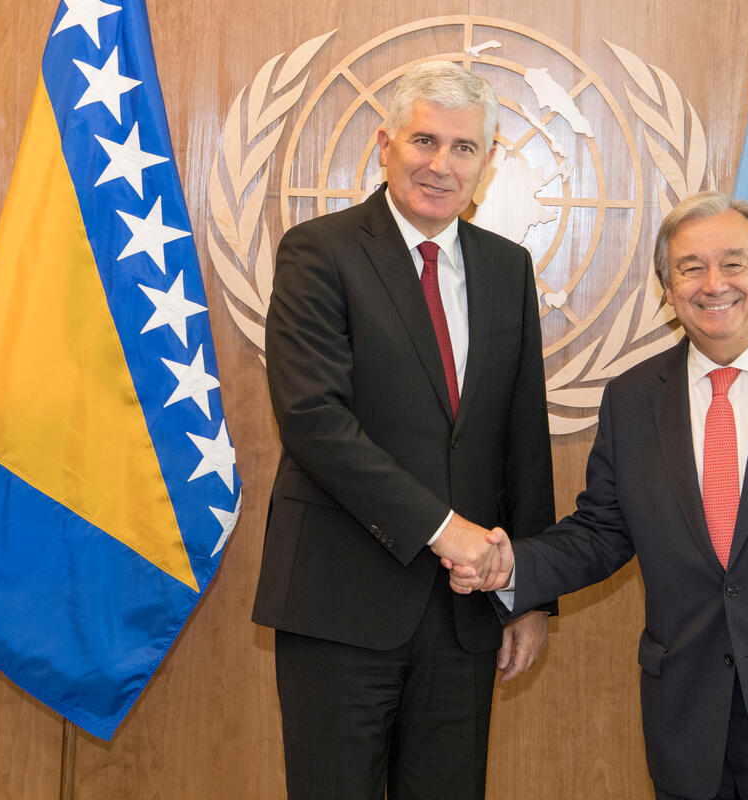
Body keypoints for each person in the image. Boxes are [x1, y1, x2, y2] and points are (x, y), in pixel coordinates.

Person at [452, 193, 748, 800]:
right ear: (667, 290)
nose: (714, 284)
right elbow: (602, 532)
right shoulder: (633, 399)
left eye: (733, 263)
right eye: (690, 268)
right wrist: (511, 565)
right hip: (691, 726)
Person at [252, 61, 555, 800]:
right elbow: (315, 421)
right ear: (385, 144)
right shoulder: (319, 251)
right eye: (425, 140)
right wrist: (446, 531)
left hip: (465, 615)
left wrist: (529, 591)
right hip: (340, 604)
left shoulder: (507, 267)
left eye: (463, 147)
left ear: (487, 163)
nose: (441, 164)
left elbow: (523, 437)